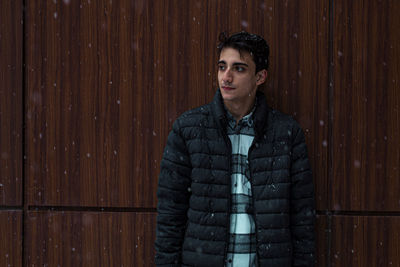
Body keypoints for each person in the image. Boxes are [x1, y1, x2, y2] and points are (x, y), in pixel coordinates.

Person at [155, 31, 315, 267]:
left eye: (238, 69)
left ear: (260, 76)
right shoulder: (188, 129)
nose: (226, 77)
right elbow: (170, 212)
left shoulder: (286, 133)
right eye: (222, 67)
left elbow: (302, 218)